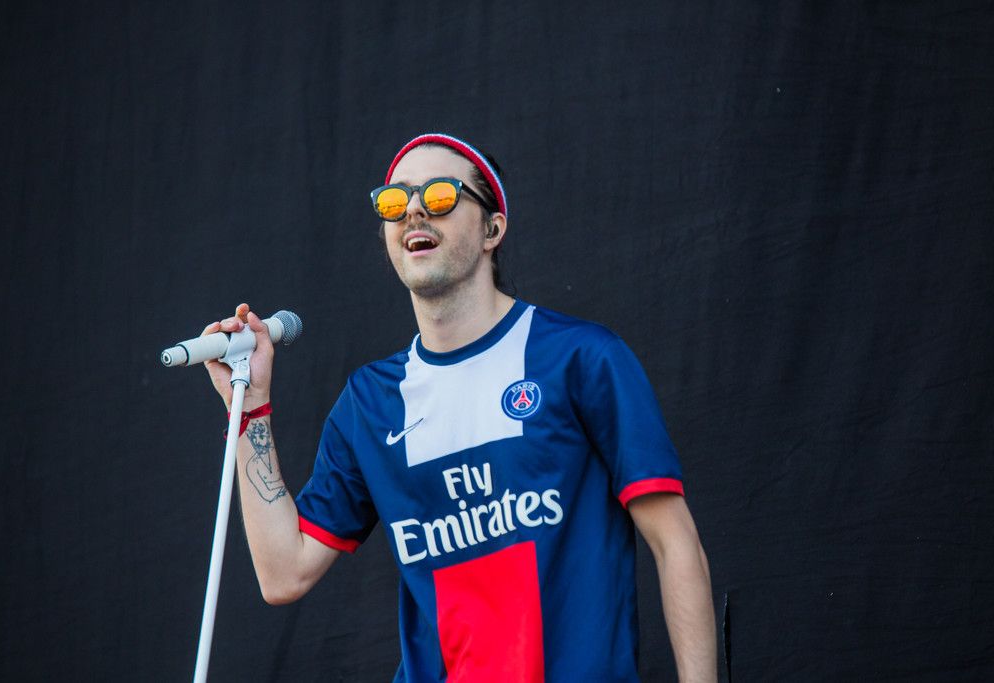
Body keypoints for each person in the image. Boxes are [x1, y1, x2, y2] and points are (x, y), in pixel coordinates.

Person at [201, 133, 717, 682]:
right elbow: (284, 574)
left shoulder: (582, 358)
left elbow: (675, 542)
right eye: (395, 200)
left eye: (441, 194)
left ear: (493, 229)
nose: (414, 210)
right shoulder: (370, 402)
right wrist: (249, 406)